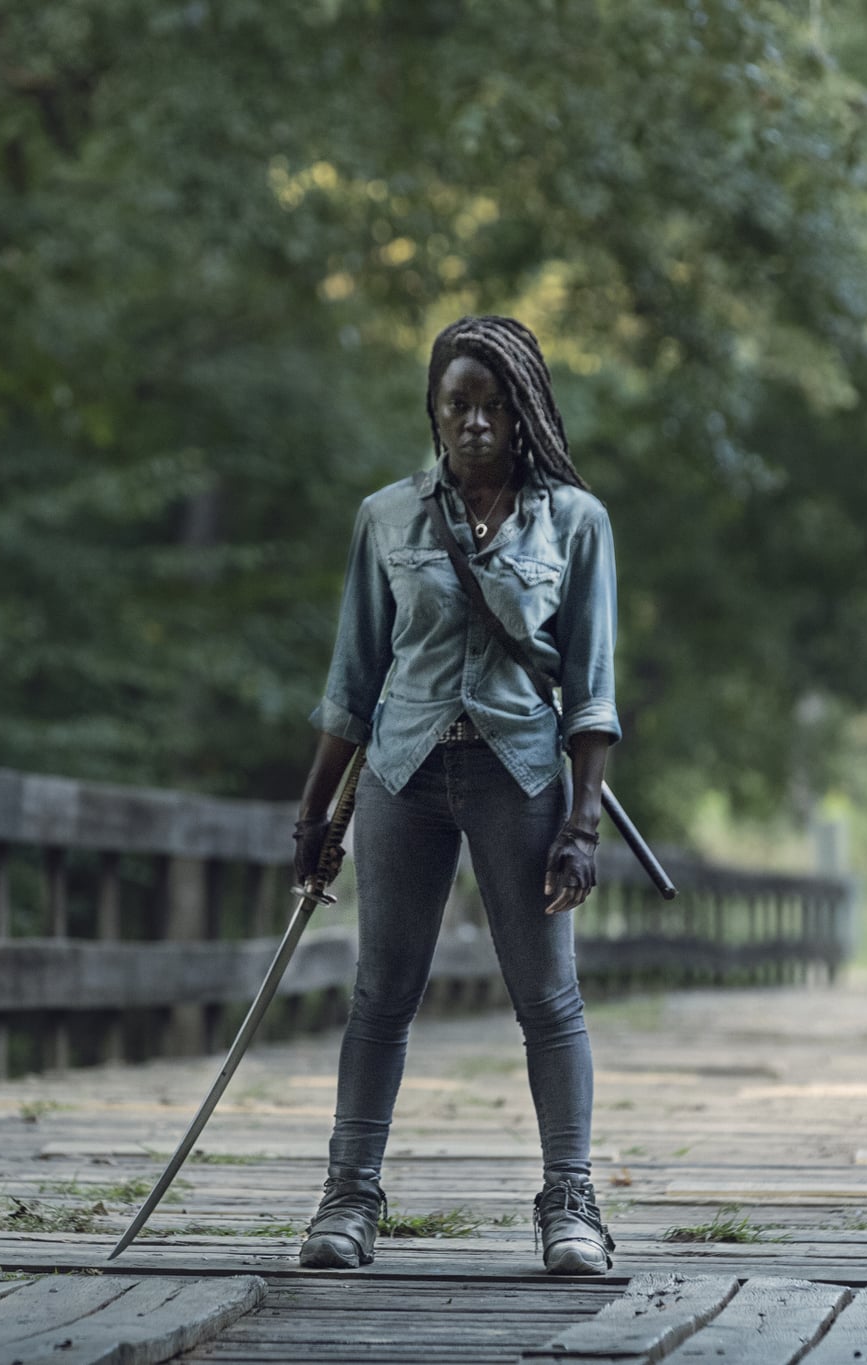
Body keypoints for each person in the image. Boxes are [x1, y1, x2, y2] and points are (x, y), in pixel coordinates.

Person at [290, 315, 620, 1275]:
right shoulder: (387, 517)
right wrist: (314, 816)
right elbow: (350, 684)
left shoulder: (576, 523)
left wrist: (583, 822)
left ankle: (571, 1202)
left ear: (524, 414)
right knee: (380, 993)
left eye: (493, 405)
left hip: (519, 774)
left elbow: (592, 694)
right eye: (456, 405)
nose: (475, 422)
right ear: (434, 416)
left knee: (548, 998)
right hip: (402, 774)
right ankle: (348, 1198)